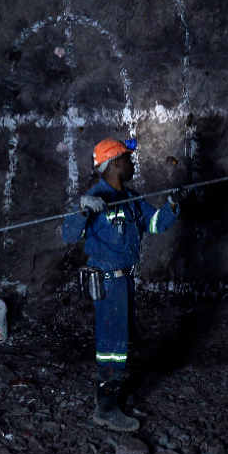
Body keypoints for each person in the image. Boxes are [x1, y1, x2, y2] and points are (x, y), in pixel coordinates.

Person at [62, 138, 186, 431]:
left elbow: (155, 223)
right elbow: (68, 234)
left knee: (121, 341)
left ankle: (112, 399)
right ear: (116, 162)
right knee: (112, 346)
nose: (133, 164)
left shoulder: (131, 198)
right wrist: (83, 210)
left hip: (124, 281)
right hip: (108, 282)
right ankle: (105, 410)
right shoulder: (95, 198)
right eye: (129, 159)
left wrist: (173, 204)